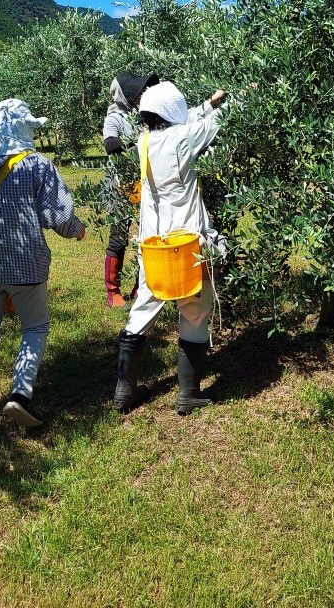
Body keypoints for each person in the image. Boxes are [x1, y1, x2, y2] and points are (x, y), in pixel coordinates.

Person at [0, 98, 86, 437]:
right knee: (35, 327)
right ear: (23, 125)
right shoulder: (38, 165)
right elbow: (56, 215)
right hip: (26, 265)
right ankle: (20, 395)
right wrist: (76, 228)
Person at [113, 81, 227, 416]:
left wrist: (207, 103)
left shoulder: (144, 142)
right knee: (194, 310)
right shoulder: (183, 139)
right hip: (187, 245)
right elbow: (212, 126)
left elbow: (189, 120)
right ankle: (187, 394)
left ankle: (124, 391)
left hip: (154, 246)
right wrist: (244, 96)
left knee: (144, 306)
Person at [101, 71, 159, 306]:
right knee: (119, 238)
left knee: (146, 235)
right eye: (137, 92)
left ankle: (139, 286)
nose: (141, 95)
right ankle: (112, 291)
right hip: (120, 186)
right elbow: (110, 144)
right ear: (125, 96)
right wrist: (138, 141)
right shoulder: (114, 118)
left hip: (144, 183)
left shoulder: (143, 116)